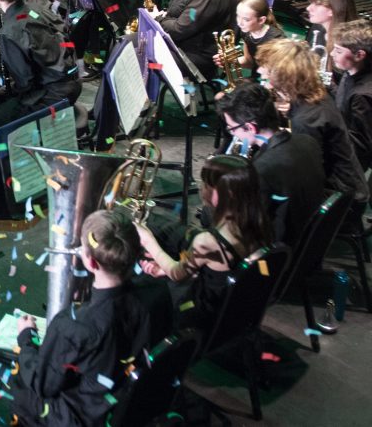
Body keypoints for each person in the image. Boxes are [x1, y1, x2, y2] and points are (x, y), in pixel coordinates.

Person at [0, 210, 172, 427]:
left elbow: (41, 384)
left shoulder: (73, 325)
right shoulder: (158, 292)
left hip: (67, 415)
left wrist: (26, 338)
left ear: (91, 263)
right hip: (115, 406)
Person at [136, 155, 272, 334]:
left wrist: (148, 241)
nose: (202, 188)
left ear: (225, 194)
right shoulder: (258, 221)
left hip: (204, 313)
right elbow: (219, 270)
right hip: (232, 303)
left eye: (207, 184)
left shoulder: (209, 241)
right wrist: (169, 267)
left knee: (141, 297)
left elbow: (177, 274)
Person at [256, 38, 370, 225]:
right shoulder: (313, 95)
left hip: (340, 201)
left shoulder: (307, 119)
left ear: (283, 75)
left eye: (265, 68)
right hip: (348, 188)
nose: (259, 71)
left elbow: (307, 174)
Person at [217, 82, 324, 246]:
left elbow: (248, 225)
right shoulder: (308, 142)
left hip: (278, 249)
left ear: (250, 127)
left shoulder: (261, 169)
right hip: (310, 238)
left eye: (232, 128)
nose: (233, 134)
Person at [0, 0, 81, 134]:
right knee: (3, 99)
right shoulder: (37, 9)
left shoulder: (9, 32)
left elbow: (26, 83)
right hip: (73, 82)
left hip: (52, 95)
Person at [330, 19, 372, 171]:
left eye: (338, 51)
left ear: (359, 55)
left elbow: (359, 147)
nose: (332, 53)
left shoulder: (362, 96)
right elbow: (343, 100)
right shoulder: (351, 71)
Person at [215, 0, 285, 79]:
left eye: (246, 19)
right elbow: (249, 62)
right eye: (238, 16)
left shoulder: (276, 41)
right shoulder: (247, 31)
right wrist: (228, 60)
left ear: (261, 20)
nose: (239, 23)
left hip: (271, 80)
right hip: (257, 76)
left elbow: (279, 75)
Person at [305, 0, 358, 70]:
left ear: (333, 10)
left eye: (317, 4)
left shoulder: (350, 42)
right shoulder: (317, 28)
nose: (308, 8)